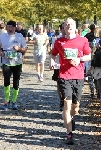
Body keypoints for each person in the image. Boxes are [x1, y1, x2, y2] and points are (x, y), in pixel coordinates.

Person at [49, 17, 91, 145]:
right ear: (63, 27)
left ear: (75, 27)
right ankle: (69, 134)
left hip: (78, 76)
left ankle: (72, 117)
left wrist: (79, 60)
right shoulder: (59, 41)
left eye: (71, 24)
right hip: (64, 76)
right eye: (66, 24)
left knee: (75, 107)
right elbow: (53, 54)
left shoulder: (83, 40)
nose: (69, 26)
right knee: (67, 105)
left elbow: (89, 55)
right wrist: (51, 61)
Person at [0, 20, 27, 110]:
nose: (10, 29)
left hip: (17, 62)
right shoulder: (2, 36)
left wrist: (19, 48)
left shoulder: (19, 36)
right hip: (6, 61)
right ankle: (6, 101)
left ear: (15, 28)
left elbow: (25, 49)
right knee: (6, 81)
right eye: (8, 27)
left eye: (11, 27)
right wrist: (0, 52)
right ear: (6, 27)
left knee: (16, 81)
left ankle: (14, 101)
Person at [50, 22, 65, 111]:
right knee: (59, 83)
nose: (65, 29)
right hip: (58, 64)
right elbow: (53, 52)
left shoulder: (73, 38)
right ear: (61, 29)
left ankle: (67, 100)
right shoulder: (56, 39)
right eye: (63, 28)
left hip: (68, 65)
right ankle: (61, 100)